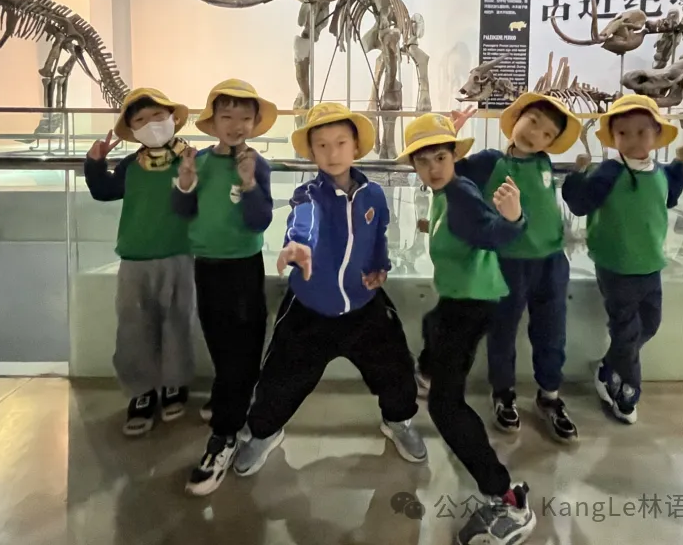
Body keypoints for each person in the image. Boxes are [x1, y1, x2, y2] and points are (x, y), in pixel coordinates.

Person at [231, 102, 427, 477]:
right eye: (321, 145)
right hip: (310, 307)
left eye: (340, 143)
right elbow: (303, 222)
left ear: (355, 147)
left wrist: (380, 267)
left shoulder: (373, 195)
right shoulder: (308, 195)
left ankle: (398, 421)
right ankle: (264, 432)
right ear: (311, 152)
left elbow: (378, 237)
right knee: (281, 379)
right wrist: (298, 245)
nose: (332, 152)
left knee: (396, 368)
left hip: (364, 304)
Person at [404, 113, 536, 545]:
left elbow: (493, 233)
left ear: (453, 158)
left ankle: (507, 498)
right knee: (433, 323)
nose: (433, 168)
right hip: (458, 300)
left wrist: (514, 218)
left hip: (473, 305)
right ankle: (427, 370)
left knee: (446, 407)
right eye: (423, 161)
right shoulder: (444, 193)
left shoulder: (459, 194)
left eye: (441, 158)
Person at [424, 95, 583, 442]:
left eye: (547, 133)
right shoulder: (488, 162)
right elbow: (446, 175)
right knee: (502, 331)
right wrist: (448, 136)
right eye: (533, 122)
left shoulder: (544, 164)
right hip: (506, 263)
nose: (536, 134)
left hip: (551, 263)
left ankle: (550, 395)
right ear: (517, 119)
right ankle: (503, 393)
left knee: (552, 331)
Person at [172, 79, 277, 496]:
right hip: (207, 267)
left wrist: (249, 184)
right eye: (227, 116)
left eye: (244, 117)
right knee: (219, 342)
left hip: (244, 267)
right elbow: (182, 211)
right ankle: (236, 404)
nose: (235, 125)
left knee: (245, 349)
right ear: (213, 121)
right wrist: (185, 182)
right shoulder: (198, 161)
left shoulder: (256, 163)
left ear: (254, 123)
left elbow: (260, 220)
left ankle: (225, 435)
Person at [561, 94, 683, 425]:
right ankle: (627, 389)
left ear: (657, 135)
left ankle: (608, 366)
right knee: (627, 331)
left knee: (649, 324)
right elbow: (581, 204)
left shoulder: (659, 172)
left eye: (641, 131)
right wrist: (577, 177)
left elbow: (669, 197)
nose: (632, 139)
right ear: (613, 137)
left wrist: (680, 166)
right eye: (623, 133)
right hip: (616, 266)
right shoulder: (609, 172)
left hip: (650, 263)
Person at [83, 88, 194, 437]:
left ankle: (175, 384)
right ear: (132, 130)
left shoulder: (191, 158)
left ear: (173, 118)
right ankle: (141, 392)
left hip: (179, 253)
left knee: (177, 322)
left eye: (158, 116)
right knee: (134, 327)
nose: (152, 124)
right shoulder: (132, 165)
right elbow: (105, 191)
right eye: (141, 120)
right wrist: (94, 163)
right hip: (135, 257)